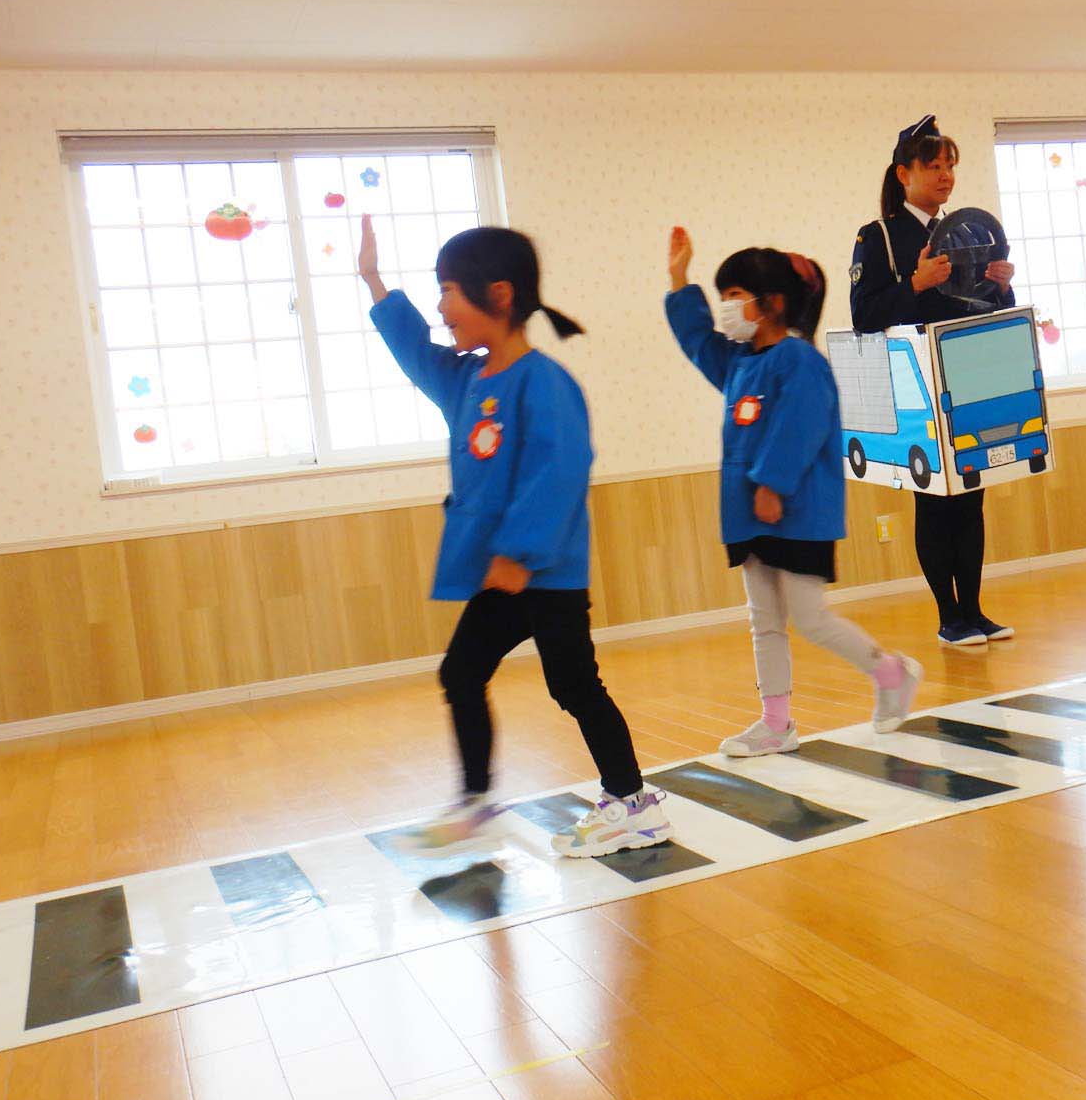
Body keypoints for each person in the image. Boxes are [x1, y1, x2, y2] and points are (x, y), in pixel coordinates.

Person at [357, 214, 671, 859]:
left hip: (544, 575)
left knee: (574, 687)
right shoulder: (467, 380)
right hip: (502, 576)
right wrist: (374, 283)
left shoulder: (544, 381)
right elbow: (415, 351)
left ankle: (633, 805)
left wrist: (520, 553)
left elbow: (561, 469)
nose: (441, 308)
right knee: (460, 672)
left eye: (449, 291)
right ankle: (476, 801)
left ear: (498, 295)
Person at [664, 226, 922, 756]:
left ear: (773, 303)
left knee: (810, 618)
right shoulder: (738, 363)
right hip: (750, 514)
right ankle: (776, 723)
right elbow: (697, 341)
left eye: (734, 296)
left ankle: (893, 673)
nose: (726, 308)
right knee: (763, 621)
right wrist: (678, 279)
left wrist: (772, 485)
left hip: (797, 513)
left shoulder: (801, 361)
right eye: (722, 297)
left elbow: (800, 426)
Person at [848, 114, 1018, 649]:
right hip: (914, 386)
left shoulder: (967, 231)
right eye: (934, 166)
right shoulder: (877, 237)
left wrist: (1002, 288)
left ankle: (975, 611)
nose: (946, 176)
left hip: (967, 376)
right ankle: (949, 617)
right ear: (904, 174)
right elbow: (863, 317)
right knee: (934, 500)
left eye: (950, 166)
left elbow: (982, 308)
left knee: (970, 495)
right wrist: (916, 283)